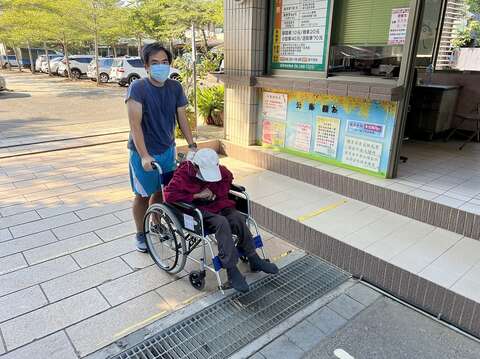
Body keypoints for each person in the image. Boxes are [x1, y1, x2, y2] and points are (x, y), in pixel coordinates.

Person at [163, 148, 278, 293]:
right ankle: (231, 270)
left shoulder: (219, 169)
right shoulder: (183, 174)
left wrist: (214, 192)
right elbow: (169, 196)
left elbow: (227, 177)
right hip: (197, 211)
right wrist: (197, 196)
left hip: (217, 203)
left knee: (237, 217)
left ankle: (253, 257)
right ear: (196, 166)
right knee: (221, 223)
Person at [126, 42, 196, 252]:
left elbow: (182, 117)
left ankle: (155, 224)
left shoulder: (175, 87)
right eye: (155, 63)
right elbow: (134, 125)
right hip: (143, 152)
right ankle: (140, 233)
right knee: (143, 195)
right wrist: (145, 155)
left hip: (167, 149)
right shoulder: (137, 88)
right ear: (146, 66)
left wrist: (192, 145)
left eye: (164, 62)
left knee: (160, 191)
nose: (160, 66)